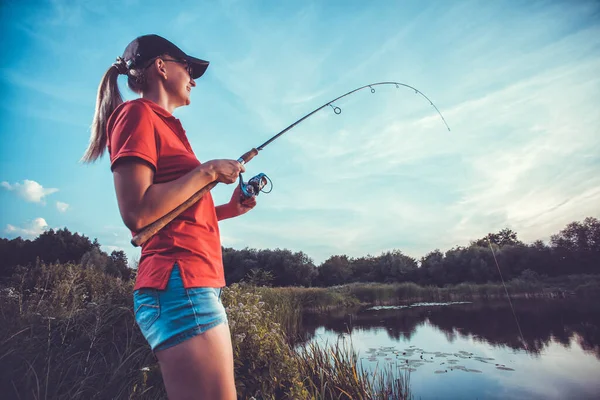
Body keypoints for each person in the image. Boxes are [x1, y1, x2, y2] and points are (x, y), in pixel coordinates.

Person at [82, 34, 255, 400]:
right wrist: (207, 172)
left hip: (191, 283)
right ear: (161, 67)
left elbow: (176, 214)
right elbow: (139, 213)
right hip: (179, 285)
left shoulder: (166, 124)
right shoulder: (137, 114)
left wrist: (228, 209)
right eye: (188, 69)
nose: (193, 79)